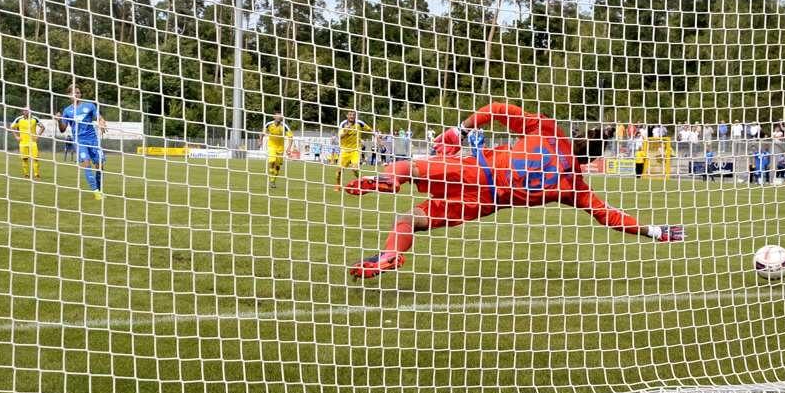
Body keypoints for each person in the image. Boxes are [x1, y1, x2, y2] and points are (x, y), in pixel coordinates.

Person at [342, 102, 685, 279]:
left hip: (477, 169)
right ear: (592, 157)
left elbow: (496, 110)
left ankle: (390, 181)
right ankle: (389, 256)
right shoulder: (573, 186)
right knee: (410, 219)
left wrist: (459, 131)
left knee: (408, 166)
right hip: (484, 203)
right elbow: (609, 217)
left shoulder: (549, 131)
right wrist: (654, 231)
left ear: (577, 134)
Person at [55, 86, 107, 200]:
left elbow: (99, 117)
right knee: (87, 164)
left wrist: (102, 122)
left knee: (100, 166)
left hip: (93, 140)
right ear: (69, 95)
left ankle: (99, 189)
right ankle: (96, 192)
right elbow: (63, 129)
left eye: (78, 93)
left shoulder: (89, 105)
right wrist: (59, 121)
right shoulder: (67, 111)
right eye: (74, 93)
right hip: (79, 142)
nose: (77, 95)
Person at [334, 111, 372, 191]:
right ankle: (338, 185)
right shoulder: (343, 124)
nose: (352, 116)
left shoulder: (359, 123)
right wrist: (346, 131)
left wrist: (378, 139)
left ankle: (361, 182)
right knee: (339, 172)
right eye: (350, 115)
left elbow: (370, 130)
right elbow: (340, 137)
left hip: (356, 150)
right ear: (347, 115)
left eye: (353, 115)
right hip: (344, 150)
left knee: (355, 169)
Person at [10, 107, 46, 179]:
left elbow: (42, 127)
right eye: (25, 110)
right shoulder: (19, 119)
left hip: (32, 142)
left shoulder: (35, 119)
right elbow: (11, 127)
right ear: (23, 112)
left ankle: (36, 174)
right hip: (23, 142)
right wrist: (16, 137)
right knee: (24, 159)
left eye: (28, 110)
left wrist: (37, 136)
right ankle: (26, 174)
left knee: (35, 158)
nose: (26, 112)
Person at [262, 112, 294, 189]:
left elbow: (290, 137)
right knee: (272, 160)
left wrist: (289, 148)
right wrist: (260, 140)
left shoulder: (284, 126)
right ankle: (271, 171)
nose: (279, 118)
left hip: (280, 148)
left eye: (280, 117)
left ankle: (272, 181)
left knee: (278, 166)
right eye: (278, 116)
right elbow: (263, 132)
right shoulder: (269, 124)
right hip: (271, 146)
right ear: (274, 117)